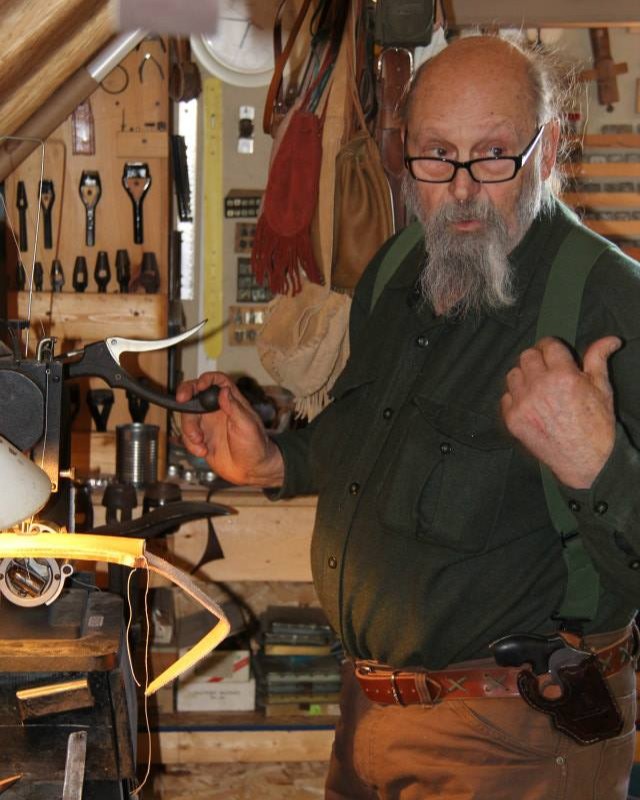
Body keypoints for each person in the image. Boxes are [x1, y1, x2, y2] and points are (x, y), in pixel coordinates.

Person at [178, 34, 640, 800]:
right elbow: (369, 438)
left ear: (548, 147)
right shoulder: (398, 269)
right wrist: (277, 463)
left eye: (494, 155)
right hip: (368, 717)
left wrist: (598, 466)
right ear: (404, 156)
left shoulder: (610, 304)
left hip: (517, 747)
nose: (462, 189)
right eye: (435, 155)